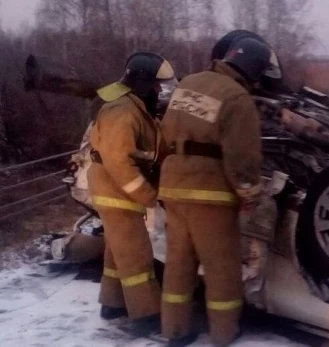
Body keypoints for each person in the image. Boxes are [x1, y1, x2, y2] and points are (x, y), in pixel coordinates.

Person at [157, 37, 280, 347]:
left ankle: (174, 330)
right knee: (221, 267)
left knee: (178, 263)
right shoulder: (237, 98)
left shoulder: (189, 82)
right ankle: (224, 333)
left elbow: (165, 129)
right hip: (210, 194)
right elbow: (242, 158)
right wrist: (250, 194)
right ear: (254, 70)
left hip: (172, 185)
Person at [88, 52, 176, 332]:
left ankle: (112, 304)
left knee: (118, 251)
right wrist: (148, 195)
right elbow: (118, 160)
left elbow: (150, 147)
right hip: (116, 192)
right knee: (137, 254)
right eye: (156, 85)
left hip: (114, 190)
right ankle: (147, 315)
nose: (159, 91)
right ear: (142, 82)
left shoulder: (134, 106)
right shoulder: (122, 111)